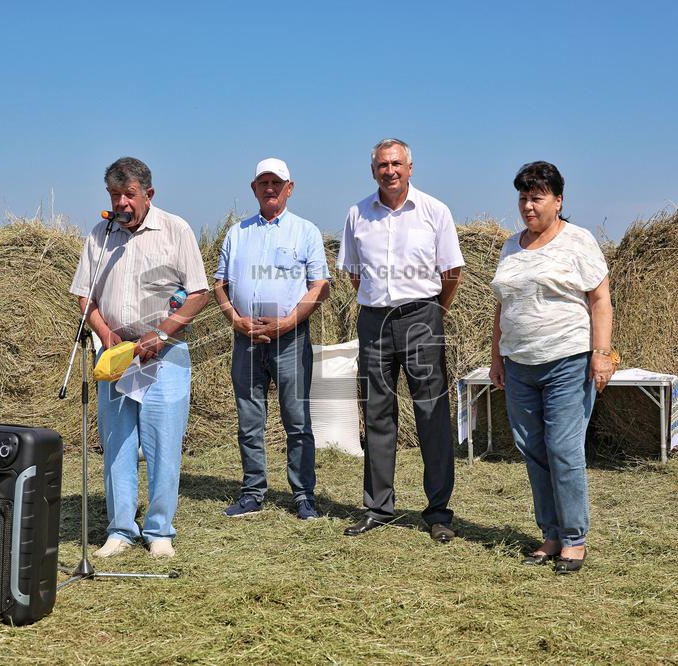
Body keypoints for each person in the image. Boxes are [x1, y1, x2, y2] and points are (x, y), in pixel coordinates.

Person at [69, 157, 209, 559]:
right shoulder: (101, 234)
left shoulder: (175, 229)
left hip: (164, 354)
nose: (121, 203)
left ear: (148, 194)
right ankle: (120, 529)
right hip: (117, 355)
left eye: (128, 195)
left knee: (163, 443)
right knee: (117, 441)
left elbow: (197, 293)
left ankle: (159, 530)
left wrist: (162, 334)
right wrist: (107, 333)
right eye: (114, 195)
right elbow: (85, 295)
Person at [489, 160, 614, 574]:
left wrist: (601, 353)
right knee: (533, 451)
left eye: (537, 198)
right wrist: (497, 358)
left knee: (563, 449)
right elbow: (502, 306)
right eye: (523, 197)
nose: (528, 205)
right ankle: (551, 533)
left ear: (557, 201)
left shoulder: (578, 242)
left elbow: (600, 300)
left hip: (566, 360)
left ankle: (575, 538)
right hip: (520, 363)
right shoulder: (511, 246)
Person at [337, 138, 464, 542]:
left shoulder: (434, 211)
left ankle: (438, 512)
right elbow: (354, 274)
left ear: (410, 167)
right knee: (376, 412)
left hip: (422, 317)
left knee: (431, 412)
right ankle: (378, 506)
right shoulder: (357, 214)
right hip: (374, 321)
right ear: (372, 169)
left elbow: (451, 273)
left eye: (396, 164)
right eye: (381, 165)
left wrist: (430, 313)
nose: (389, 171)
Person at [213, 158, 331, 520]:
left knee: (297, 421)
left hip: (290, 339)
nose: (270, 189)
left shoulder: (305, 231)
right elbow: (220, 284)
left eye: (276, 183)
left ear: (289, 188)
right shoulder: (237, 233)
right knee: (249, 419)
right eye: (263, 182)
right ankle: (252, 491)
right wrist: (235, 319)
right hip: (246, 340)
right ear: (254, 188)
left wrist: (287, 322)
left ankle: (303, 495)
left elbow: (320, 285)